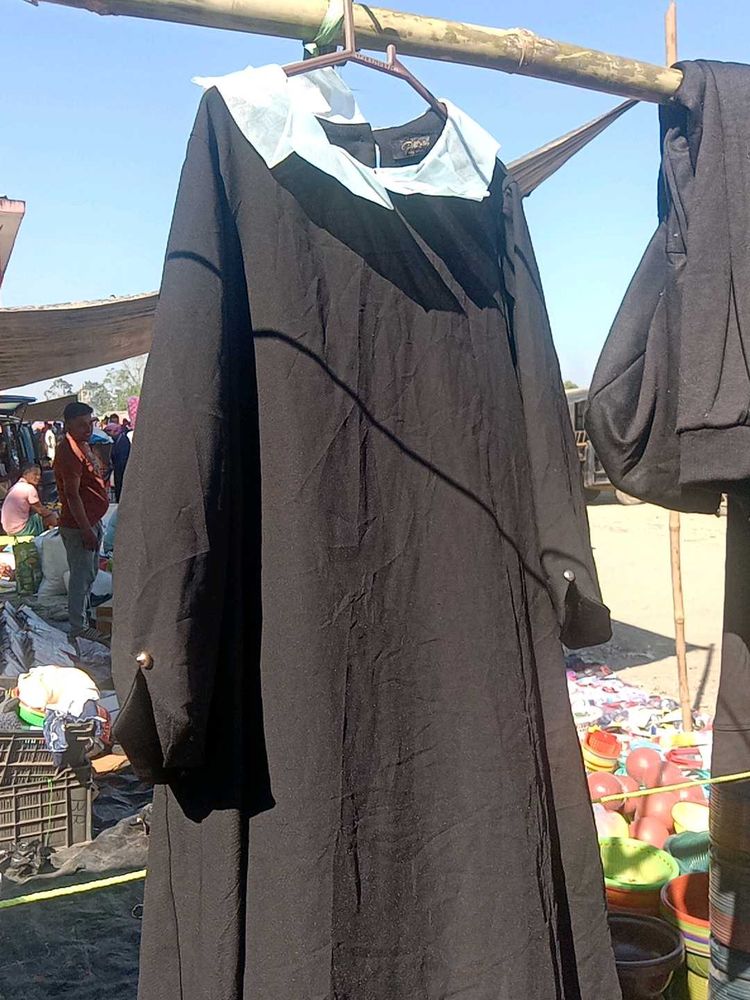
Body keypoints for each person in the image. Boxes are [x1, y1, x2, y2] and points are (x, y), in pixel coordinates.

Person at [53, 401, 110, 642]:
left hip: (90, 519)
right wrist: (86, 529)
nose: (88, 428)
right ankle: (78, 626)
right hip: (79, 525)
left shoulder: (82, 445)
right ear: (68, 425)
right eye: (82, 425)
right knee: (81, 575)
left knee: (87, 574)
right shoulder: (68, 452)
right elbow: (72, 494)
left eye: (90, 423)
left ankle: (81, 616)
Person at [0, 462, 58, 537]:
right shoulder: (29, 488)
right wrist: (53, 514)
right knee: (50, 517)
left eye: (39, 475)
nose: (38, 477)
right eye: (35, 474)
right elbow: (41, 510)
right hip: (20, 529)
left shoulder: (14, 487)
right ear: (25, 474)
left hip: (8, 529)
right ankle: (53, 540)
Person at [111, 421, 131, 502]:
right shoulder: (116, 441)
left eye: (109, 431)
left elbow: (123, 459)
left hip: (122, 471)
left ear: (116, 431)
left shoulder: (123, 441)